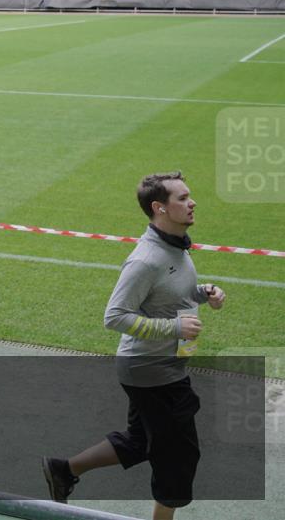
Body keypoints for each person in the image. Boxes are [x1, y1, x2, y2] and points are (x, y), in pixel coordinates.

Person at [41, 172, 226, 520]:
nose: (192, 202)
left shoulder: (175, 245)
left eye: (190, 196)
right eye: (183, 198)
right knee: (178, 459)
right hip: (151, 372)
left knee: (141, 440)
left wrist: (204, 292)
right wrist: (173, 327)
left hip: (161, 367)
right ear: (159, 208)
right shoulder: (146, 259)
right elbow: (114, 316)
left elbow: (169, 294)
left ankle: (64, 469)